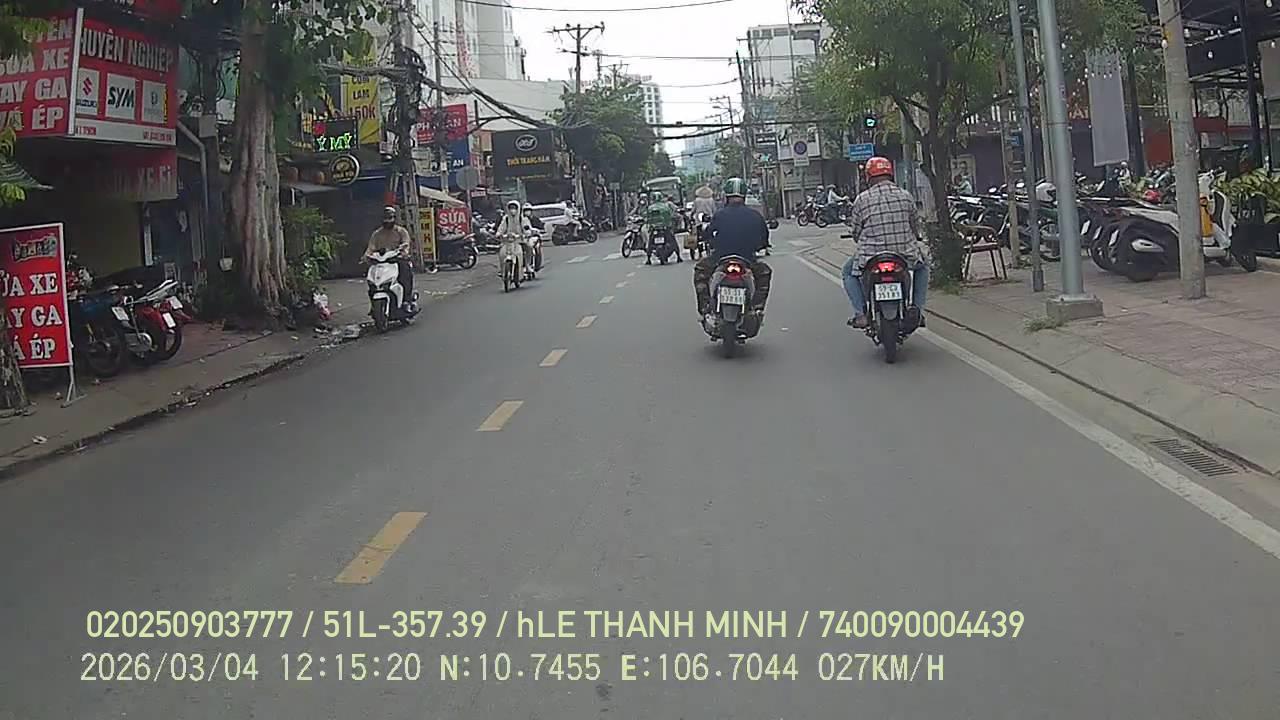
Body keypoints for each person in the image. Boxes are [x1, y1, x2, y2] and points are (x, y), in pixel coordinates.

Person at [841, 157, 929, 329]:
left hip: (871, 256)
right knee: (923, 266)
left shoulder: (861, 199)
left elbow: (856, 232)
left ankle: (860, 314)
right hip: (904, 254)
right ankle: (917, 311)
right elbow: (914, 226)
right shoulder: (906, 196)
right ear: (890, 174)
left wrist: (860, 239)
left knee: (848, 273)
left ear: (868, 177)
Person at [693, 177, 772, 319]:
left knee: (701, 271)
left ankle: (705, 307)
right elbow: (764, 238)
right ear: (744, 196)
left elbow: (708, 234)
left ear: (726, 196)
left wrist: (708, 239)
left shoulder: (719, 215)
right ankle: (757, 307)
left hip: (720, 258)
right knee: (764, 274)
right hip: (747, 259)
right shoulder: (755, 216)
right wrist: (761, 245)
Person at [366, 206, 414, 309]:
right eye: (385, 218)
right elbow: (371, 247)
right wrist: (367, 256)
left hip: (396, 260)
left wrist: (403, 253)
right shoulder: (377, 234)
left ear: (394, 218)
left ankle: (406, 300)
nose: (387, 221)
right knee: (372, 279)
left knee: (405, 272)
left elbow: (406, 244)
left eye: (390, 218)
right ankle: (373, 304)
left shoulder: (401, 231)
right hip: (381, 262)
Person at [496, 199, 534, 277]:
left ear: (518, 209)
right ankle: (502, 269)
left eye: (514, 208)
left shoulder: (522, 219)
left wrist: (527, 234)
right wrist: (499, 234)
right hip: (508, 241)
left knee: (529, 247)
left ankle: (527, 265)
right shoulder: (506, 219)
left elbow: (526, 228)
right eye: (510, 208)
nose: (512, 210)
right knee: (501, 252)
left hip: (520, 240)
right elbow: (501, 228)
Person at [644, 193, 682, 264]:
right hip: (665, 228)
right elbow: (670, 216)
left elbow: (647, 218)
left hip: (654, 228)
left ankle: (648, 259)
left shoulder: (650, 208)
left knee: (650, 242)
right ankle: (678, 256)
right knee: (673, 241)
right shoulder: (665, 206)